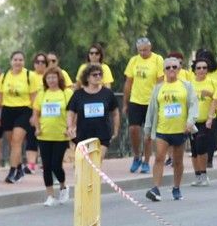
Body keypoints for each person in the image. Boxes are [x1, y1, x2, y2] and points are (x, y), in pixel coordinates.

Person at [143, 56, 198, 202]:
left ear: (179, 69)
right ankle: (155, 189)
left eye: (174, 67)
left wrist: (190, 121)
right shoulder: (158, 88)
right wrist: (148, 131)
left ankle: (176, 187)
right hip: (162, 129)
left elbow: (193, 105)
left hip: (181, 130)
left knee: (178, 161)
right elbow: (152, 110)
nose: (171, 70)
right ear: (164, 71)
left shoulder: (186, 86)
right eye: (168, 67)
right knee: (159, 158)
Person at [0, 51, 39, 184]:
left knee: (17, 141)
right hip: (8, 111)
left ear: (24, 62)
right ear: (11, 61)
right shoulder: (4, 76)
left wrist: (34, 115)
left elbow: (34, 97)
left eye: (20, 60)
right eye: (15, 59)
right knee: (12, 143)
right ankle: (19, 168)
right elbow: (0, 96)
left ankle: (12, 171)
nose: (18, 62)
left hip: (24, 110)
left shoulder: (29, 76)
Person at [31, 67, 73, 206]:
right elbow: (36, 113)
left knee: (56, 164)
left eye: (54, 77)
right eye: (48, 78)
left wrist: (70, 128)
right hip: (44, 135)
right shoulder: (42, 93)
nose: (51, 80)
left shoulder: (66, 93)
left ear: (59, 78)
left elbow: (73, 112)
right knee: (46, 166)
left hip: (61, 135)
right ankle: (50, 195)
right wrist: (37, 128)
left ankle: (63, 186)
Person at [123, 37, 162, 174]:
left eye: (145, 50)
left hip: (151, 101)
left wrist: (158, 101)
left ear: (150, 48)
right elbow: (128, 82)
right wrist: (125, 102)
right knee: (133, 129)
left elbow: (160, 82)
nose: (143, 53)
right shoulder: (134, 61)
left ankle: (146, 161)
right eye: (140, 50)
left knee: (147, 133)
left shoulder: (157, 60)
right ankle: (136, 156)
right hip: (136, 100)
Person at [66, 62, 120, 156]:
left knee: (96, 163)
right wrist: (70, 127)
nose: (98, 77)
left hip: (103, 135)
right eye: (94, 75)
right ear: (87, 77)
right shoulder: (78, 94)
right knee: (84, 166)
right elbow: (71, 112)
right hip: (83, 135)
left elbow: (115, 112)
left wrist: (115, 129)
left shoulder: (107, 93)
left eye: (100, 74)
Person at [188, 56, 217, 186]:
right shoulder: (189, 84)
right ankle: (198, 176)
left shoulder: (212, 82)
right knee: (194, 149)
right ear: (194, 70)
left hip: (206, 120)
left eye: (204, 68)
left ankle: (204, 174)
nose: (201, 70)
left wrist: (210, 95)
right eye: (198, 68)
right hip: (192, 120)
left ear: (208, 69)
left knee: (201, 146)